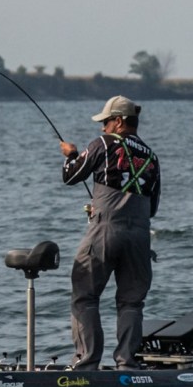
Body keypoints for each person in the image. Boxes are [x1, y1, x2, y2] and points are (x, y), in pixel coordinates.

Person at [58, 95, 160, 370]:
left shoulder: (102, 144)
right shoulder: (151, 157)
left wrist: (71, 156)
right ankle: (127, 363)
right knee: (132, 303)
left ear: (119, 122)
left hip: (105, 231)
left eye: (106, 122)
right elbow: (152, 208)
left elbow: (71, 176)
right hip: (139, 237)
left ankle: (87, 363)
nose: (103, 127)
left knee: (85, 296)